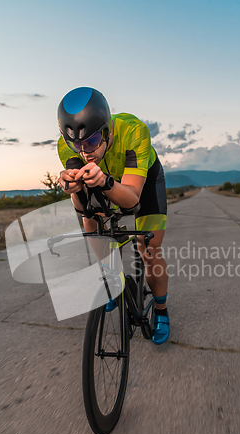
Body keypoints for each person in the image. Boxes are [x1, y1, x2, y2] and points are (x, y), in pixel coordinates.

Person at [57, 87, 169, 345]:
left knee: (148, 248)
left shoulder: (134, 131)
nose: (84, 151)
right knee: (94, 229)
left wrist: (106, 182)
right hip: (103, 179)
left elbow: (131, 200)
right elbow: (83, 206)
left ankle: (161, 312)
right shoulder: (69, 149)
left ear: (107, 131)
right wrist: (72, 188)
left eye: (93, 141)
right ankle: (113, 280)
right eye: (75, 143)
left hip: (142, 181)